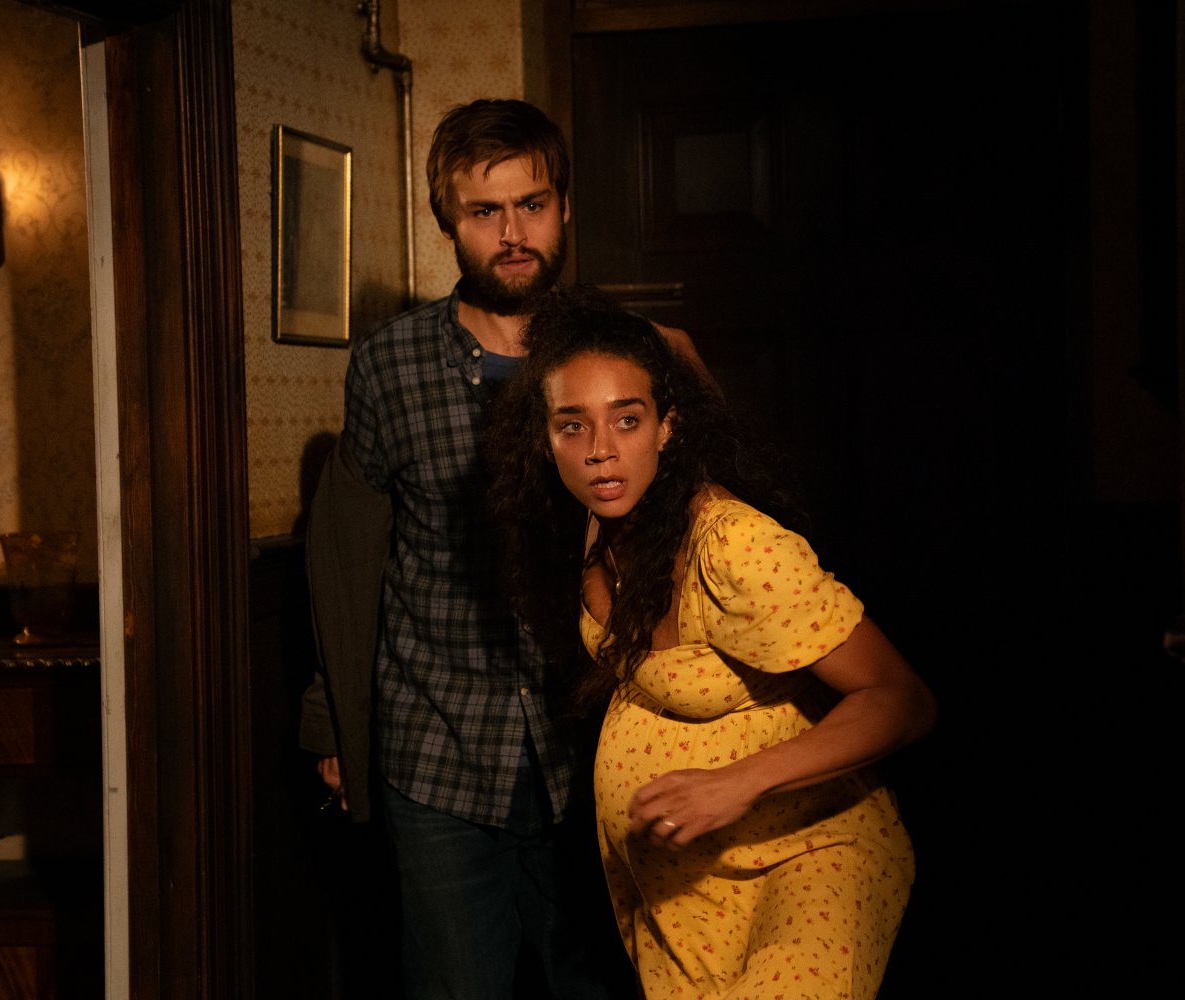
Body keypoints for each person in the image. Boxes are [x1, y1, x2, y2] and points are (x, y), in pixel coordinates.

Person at [484, 291, 938, 999]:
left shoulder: (733, 546)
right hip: (684, 884)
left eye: (627, 419)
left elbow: (903, 699)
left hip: (809, 851)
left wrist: (737, 782)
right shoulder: (596, 514)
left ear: (667, 427)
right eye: (573, 425)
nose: (600, 449)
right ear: (544, 439)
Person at [299, 100, 656, 1000]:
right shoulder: (388, 366)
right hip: (439, 749)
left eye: (531, 205)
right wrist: (334, 722)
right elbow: (350, 558)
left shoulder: (619, 356)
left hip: (595, 745)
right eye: (485, 212)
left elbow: (681, 535)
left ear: (564, 207)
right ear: (448, 222)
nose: (513, 234)